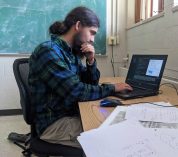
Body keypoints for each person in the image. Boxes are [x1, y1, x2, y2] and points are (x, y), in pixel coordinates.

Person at [28, 6, 132, 148]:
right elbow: (76, 91)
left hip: (70, 113)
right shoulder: (48, 51)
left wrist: (90, 61)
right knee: (114, 135)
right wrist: (112, 88)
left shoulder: (71, 54)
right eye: (92, 32)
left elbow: (91, 84)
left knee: (114, 120)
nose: (93, 39)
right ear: (78, 26)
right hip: (53, 124)